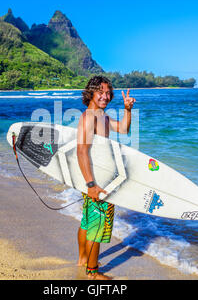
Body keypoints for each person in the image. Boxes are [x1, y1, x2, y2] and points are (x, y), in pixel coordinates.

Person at [76, 76, 136, 280]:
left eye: (108, 92)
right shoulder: (89, 117)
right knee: (97, 225)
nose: (106, 96)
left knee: (87, 222)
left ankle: (84, 259)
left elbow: (124, 129)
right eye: (101, 92)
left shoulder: (102, 117)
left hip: (96, 177)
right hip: (96, 181)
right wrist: (91, 185)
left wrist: (127, 110)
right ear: (91, 92)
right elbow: (81, 151)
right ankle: (92, 272)